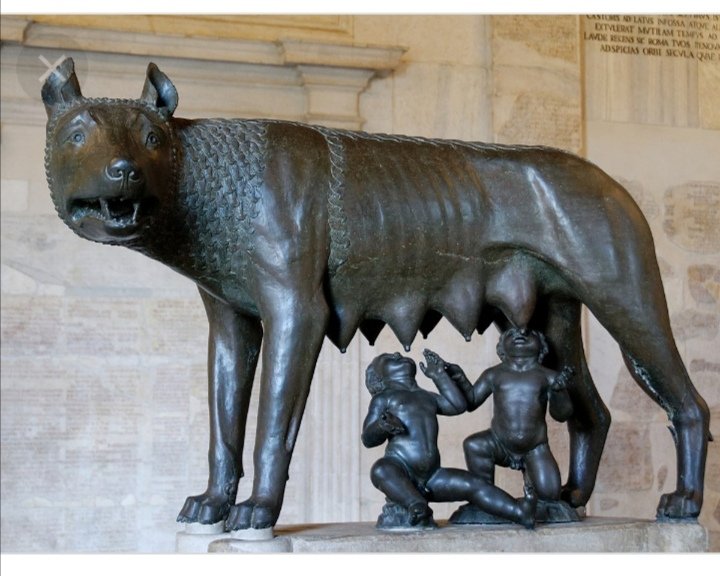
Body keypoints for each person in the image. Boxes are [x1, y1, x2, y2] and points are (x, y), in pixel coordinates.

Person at [362, 350, 537, 529]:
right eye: (387, 358)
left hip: (433, 476)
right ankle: (416, 504)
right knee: (381, 469)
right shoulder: (384, 398)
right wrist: (382, 425)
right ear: (379, 377)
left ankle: (520, 512)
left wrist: (439, 375)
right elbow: (367, 438)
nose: (397, 354)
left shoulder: (426, 396)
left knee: (474, 484)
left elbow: (457, 405)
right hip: (401, 467)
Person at [431, 327, 574, 503]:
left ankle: (532, 500)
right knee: (474, 445)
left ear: (542, 346)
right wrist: (459, 377)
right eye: (511, 333)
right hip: (498, 442)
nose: (520, 333)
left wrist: (559, 392)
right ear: (501, 347)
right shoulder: (494, 374)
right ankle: (483, 498)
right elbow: (472, 401)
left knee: (550, 495)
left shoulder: (549, 376)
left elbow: (562, 415)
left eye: (529, 333)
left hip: (535, 447)